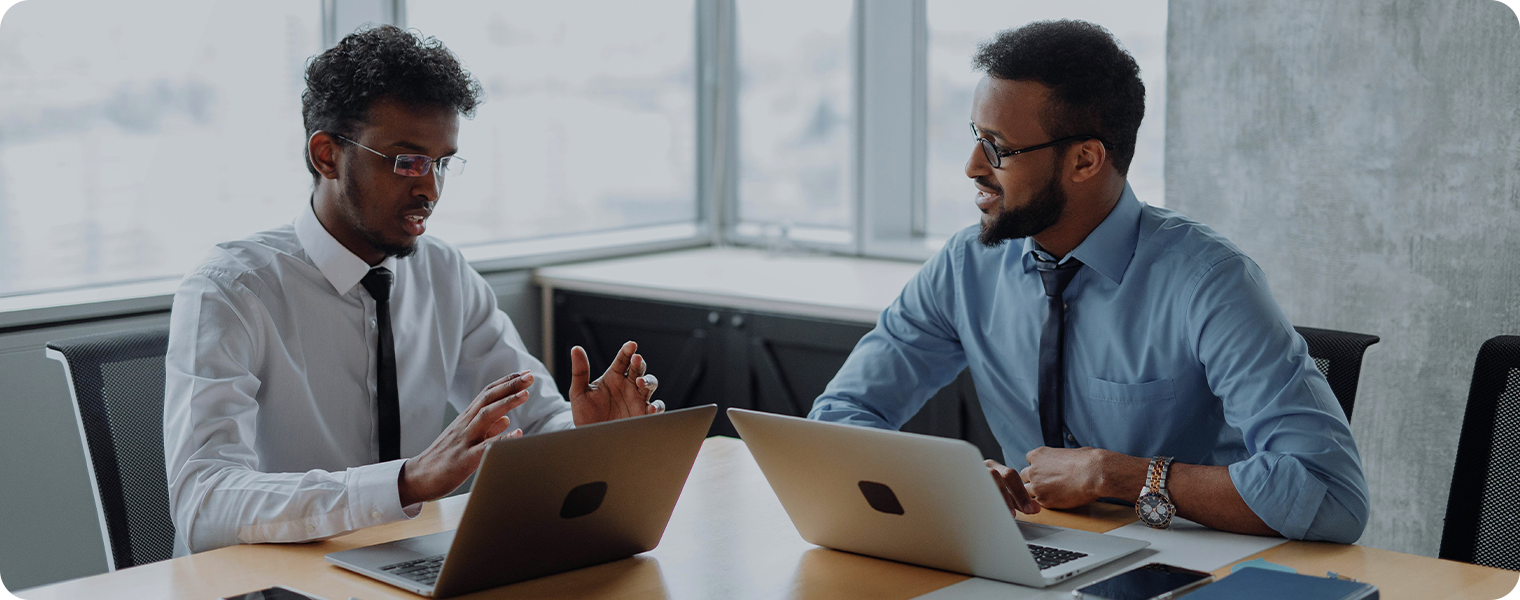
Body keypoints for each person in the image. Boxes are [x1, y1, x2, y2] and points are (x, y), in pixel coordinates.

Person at [808, 20, 1368, 543]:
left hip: (1188, 564)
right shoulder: (965, 266)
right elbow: (838, 419)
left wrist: (1116, 474)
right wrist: (946, 479)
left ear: (1084, 160)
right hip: (1039, 551)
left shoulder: (1209, 282)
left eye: (997, 147)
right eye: (976, 136)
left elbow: (1332, 496)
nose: (973, 165)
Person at [163, 26, 663, 555]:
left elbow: (534, 420)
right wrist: (403, 483)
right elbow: (204, 503)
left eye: (442, 163)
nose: (430, 188)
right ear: (327, 155)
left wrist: (588, 435)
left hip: (406, 570)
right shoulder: (230, 291)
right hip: (272, 583)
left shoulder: (443, 273)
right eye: (407, 161)